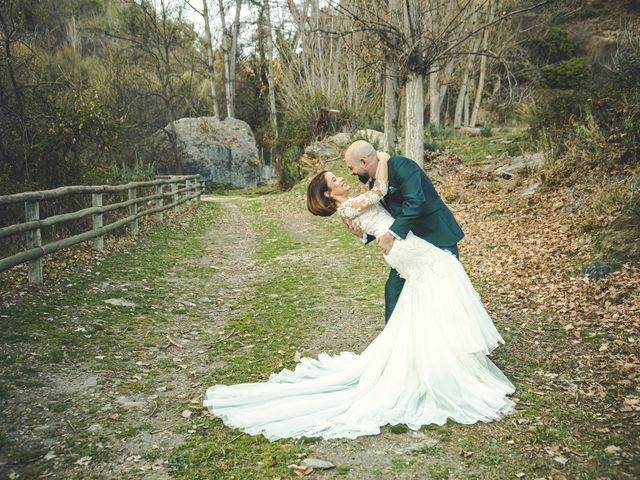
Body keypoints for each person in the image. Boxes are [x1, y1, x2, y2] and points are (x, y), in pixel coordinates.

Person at [202, 154, 515, 442]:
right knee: (445, 269)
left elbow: (368, 225)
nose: (341, 179)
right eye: (334, 180)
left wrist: (367, 233)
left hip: (398, 245)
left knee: (424, 295)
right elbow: (379, 192)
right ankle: (443, 355)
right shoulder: (349, 206)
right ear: (327, 194)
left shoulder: (349, 207)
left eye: (340, 175)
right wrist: (384, 158)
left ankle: (438, 352)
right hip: (401, 247)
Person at [343, 140, 464, 324]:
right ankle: (394, 344)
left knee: (447, 288)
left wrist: (391, 235)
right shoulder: (375, 184)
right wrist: (363, 234)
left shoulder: (402, 165)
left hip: (436, 234)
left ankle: (459, 339)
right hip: (409, 243)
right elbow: (383, 219)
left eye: (351, 168)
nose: (351, 173)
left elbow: (415, 202)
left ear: (364, 161)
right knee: (394, 291)